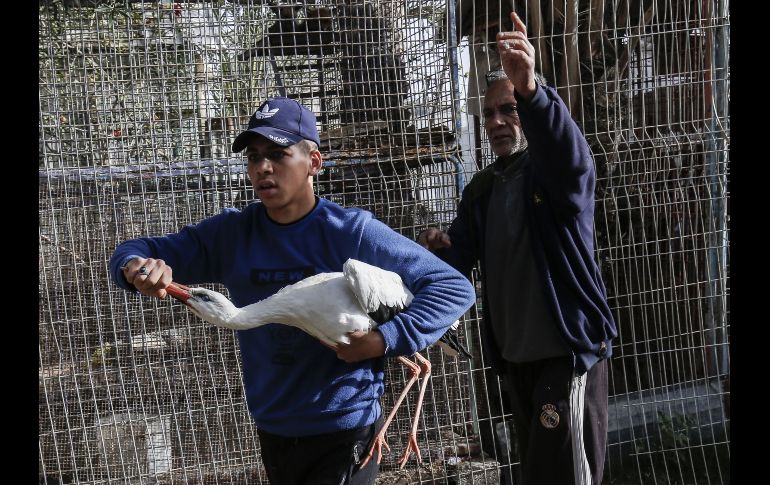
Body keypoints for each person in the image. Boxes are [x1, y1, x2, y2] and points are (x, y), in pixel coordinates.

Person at [109, 96, 476, 484]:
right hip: (274, 430)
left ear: (314, 162)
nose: (263, 168)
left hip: (345, 431)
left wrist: (383, 340)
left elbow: (453, 288)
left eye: (278, 154)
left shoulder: (352, 232)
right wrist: (136, 268)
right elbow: (133, 251)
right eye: (253, 157)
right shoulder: (232, 235)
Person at [418, 12, 618, 485]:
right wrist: (435, 251)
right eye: (488, 113)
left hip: (565, 357)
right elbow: (456, 263)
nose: (497, 122)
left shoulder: (555, 175)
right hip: (514, 364)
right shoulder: (483, 189)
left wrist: (531, 91)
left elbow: (567, 156)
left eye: (508, 110)